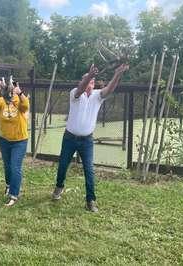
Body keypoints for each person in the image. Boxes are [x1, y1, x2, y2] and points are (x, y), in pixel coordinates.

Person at [52, 63, 129, 212]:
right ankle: (59, 186)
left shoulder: (97, 96)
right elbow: (81, 88)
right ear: (82, 82)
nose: (90, 83)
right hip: (69, 138)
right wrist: (89, 75)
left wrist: (118, 74)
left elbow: (110, 88)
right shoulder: (75, 93)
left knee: (89, 170)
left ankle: (90, 200)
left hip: (86, 140)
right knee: (62, 165)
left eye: (93, 81)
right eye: (88, 80)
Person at [0, 77, 29, 207]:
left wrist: (20, 93)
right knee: (7, 166)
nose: (10, 90)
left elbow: (26, 106)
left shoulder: (20, 99)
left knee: (15, 167)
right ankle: (8, 186)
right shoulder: (2, 100)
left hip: (20, 140)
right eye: (9, 87)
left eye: (13, 87)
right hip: (5, 139)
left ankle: (14, 194)